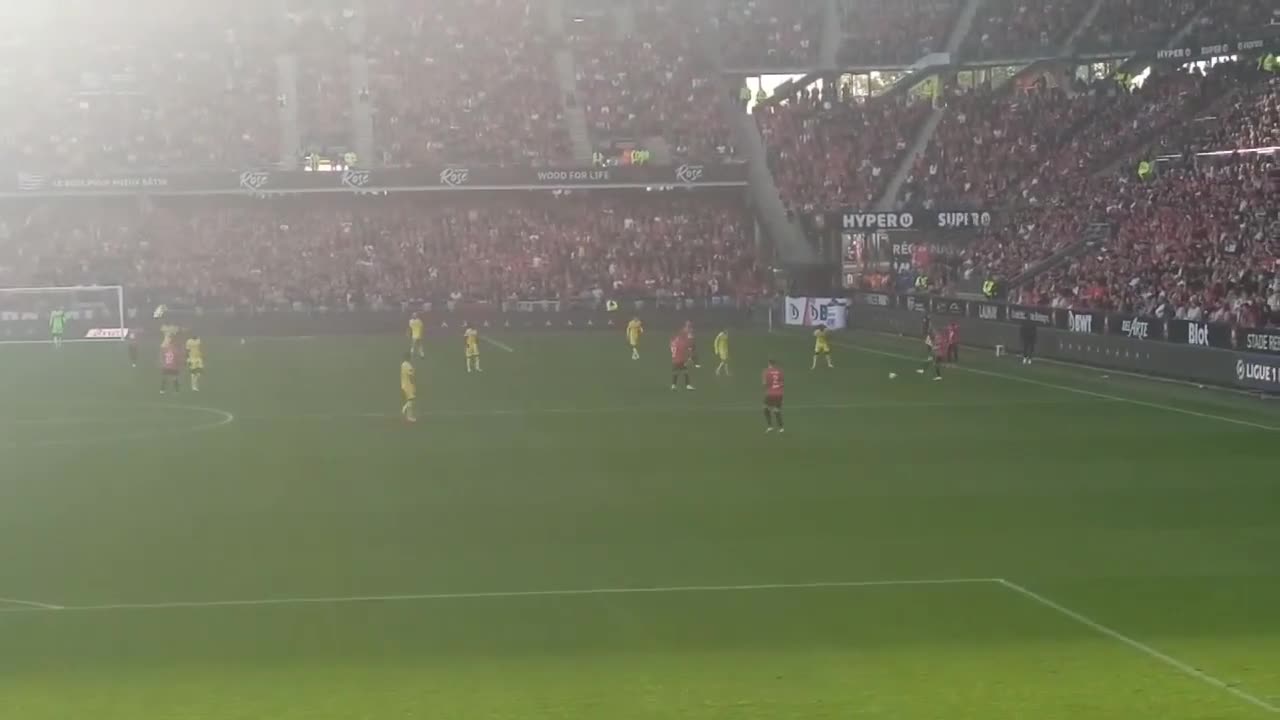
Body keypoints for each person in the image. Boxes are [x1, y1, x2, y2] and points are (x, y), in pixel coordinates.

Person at [762, 359, 784, 433]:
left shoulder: (766, 371)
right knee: (776, 410)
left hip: (770, 393)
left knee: (765, 408)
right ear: (775, 364)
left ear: (769, 364)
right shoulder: (780, 371)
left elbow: (764, 383)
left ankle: (770, 426)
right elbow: (782, 383)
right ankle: (781, 428)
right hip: (779, 394)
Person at [400, 352, 417, 423]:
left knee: (410, 400)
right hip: (408, 385)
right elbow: (410, 376)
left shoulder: (403, 364)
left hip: (403, 384)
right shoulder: (408, 365)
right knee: (411, 400)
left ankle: (408, 416)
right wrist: (413, 384)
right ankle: (405, 409)